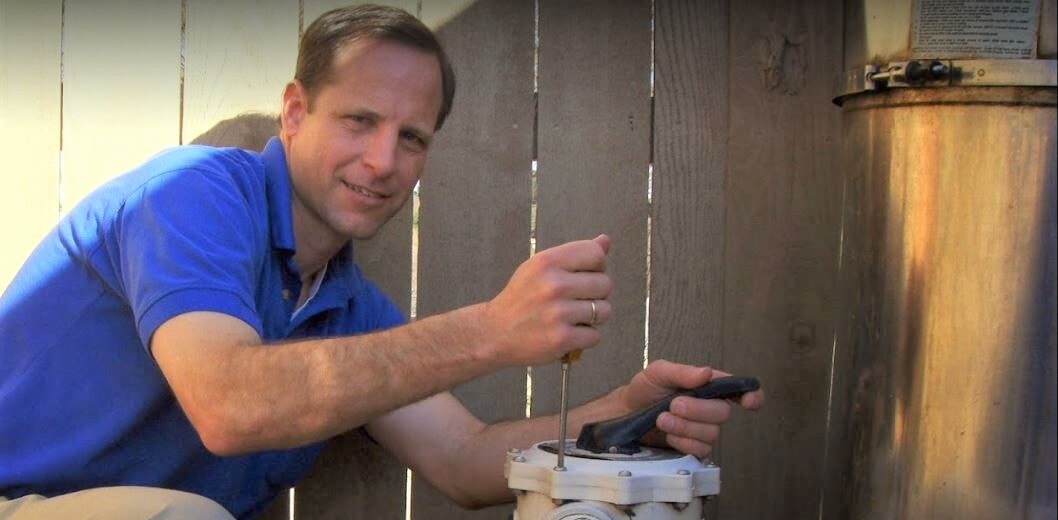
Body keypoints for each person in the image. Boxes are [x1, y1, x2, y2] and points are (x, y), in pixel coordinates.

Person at [0, 4, 763, 519]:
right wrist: (493, 331)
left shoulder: (346, 303)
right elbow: (230, 405)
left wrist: (624, 416)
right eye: (359, 120)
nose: (382, 159)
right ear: (295, 112)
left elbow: (463, 462)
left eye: (412, 137)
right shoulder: (188, 194)